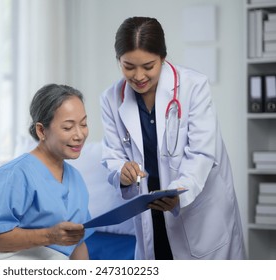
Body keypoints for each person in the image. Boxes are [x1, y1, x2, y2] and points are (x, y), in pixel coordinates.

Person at [100, 16, 246, 260]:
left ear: (163, 58)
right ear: (118, 61)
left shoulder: (194, 87)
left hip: (196, 209)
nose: (138, 76)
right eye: (128, 66)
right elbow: (113, 154)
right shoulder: (111, 98)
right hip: (150, 209)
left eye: (148, 66)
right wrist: (121, 172)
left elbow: (201, 154)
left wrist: (179, 193)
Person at [0, 83, 93, 260]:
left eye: (83, 124)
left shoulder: (76, 180)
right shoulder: (13, 174)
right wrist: (50, 236)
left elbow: (77, 244)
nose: (79, 135)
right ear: (41, 130)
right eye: (68, 127)